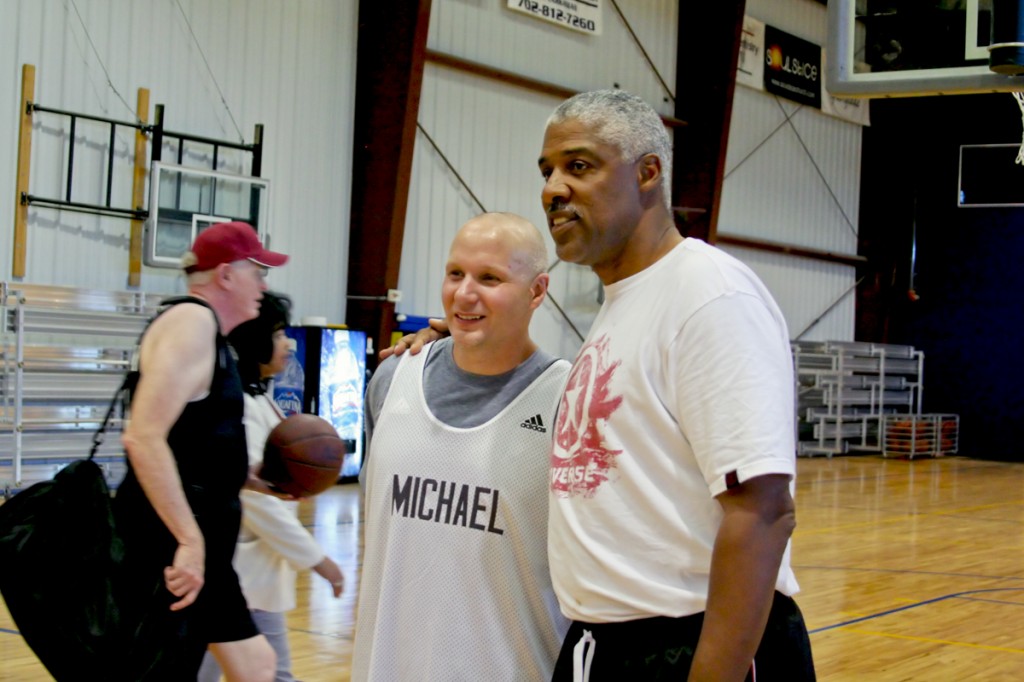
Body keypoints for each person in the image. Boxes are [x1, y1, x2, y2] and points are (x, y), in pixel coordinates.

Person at [391, 90, 815, 681]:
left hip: (691, 644)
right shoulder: (623, 306)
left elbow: (764, 512)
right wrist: (463, 343)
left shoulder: (710, 296)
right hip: (603, 646)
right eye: (547, 171)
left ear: (648, 173)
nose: (553, 188)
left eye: (579, 166)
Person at [352, 212, 571, 681]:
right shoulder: (392, 380)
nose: (464, 294)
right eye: (456, 273)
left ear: (537, 291)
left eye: (489, 278)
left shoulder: (568, 401)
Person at [114, 221, 288, 682]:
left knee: (254, 666)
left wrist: (251, 475)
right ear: (227, 274)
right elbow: (142, 436)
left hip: (194, 543)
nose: (264, 285)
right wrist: (190, 542)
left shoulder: (211, 336)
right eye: (258, 272)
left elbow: (188, 443)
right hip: (171, 545)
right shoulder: (192, 322)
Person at [197, 292, 345, 682]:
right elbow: (256, 501)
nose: (289, 344)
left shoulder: (260, 399)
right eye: (279, 334)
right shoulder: (240, 407)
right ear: (254, 342)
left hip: (254, 575)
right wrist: (319, 560)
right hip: (240, 573)